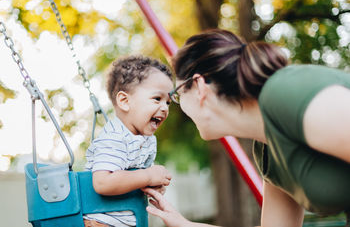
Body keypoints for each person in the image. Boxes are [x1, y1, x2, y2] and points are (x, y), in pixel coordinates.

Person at [143, 29, 350, 227]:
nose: (177, 106)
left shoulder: (284, 93)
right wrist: (185, 225)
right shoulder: (267, 149)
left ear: (199, 87)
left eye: (177, 95)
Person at [83, 55, 173, 227]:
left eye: (168, 102)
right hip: (99, 223)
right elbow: (103, 182)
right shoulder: (114, 137)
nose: (164, 107)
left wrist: (152, 186)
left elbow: (132, 180)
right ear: (124, 101)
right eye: (157, 98)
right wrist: (148, 176)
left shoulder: (146, 140)